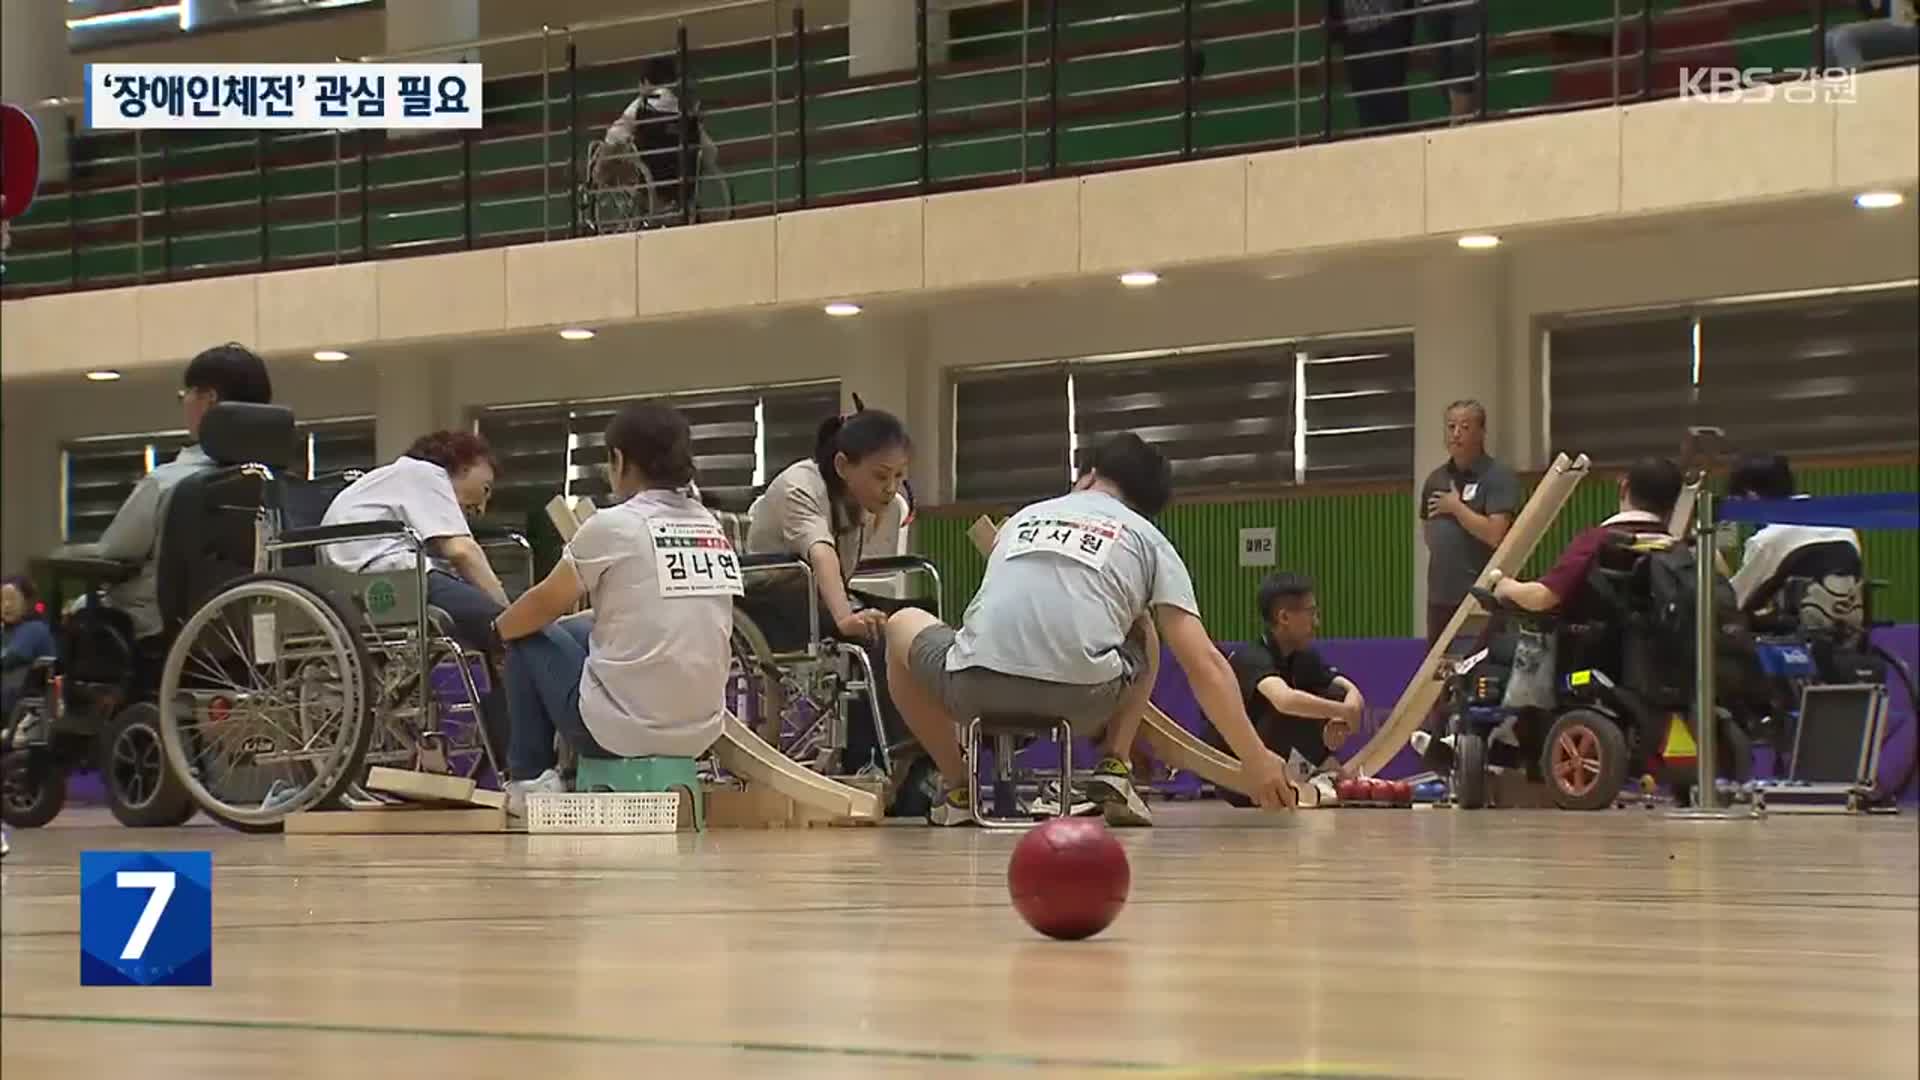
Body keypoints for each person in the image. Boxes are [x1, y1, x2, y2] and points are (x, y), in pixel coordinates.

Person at [885, 432, 1297, 827]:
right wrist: (1257, 758)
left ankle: (958, 790)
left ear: (1090, 474)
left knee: (901, 623)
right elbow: (1204, 663)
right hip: (1083, 701)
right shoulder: (1148, 539)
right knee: (1144, 627)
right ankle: (1115, 765)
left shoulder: (1024, 518)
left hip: (973, 690)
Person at [489, 404, 737, 810]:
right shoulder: (709, 524)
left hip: (619, 734)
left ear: (619, 460)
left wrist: (493, 632)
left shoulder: (614, 524)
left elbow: (541, 605)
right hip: (702, 730)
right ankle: (563, 772)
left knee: (525, 635)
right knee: (574, 631)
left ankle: (529, 777)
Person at [53, 343, 273, 642]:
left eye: (187, 394)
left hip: (160, 624)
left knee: (79, 611)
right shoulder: (276, 483)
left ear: (208, 400)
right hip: (252, 626)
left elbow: (114, 553)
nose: (184, 402)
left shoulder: (170, 482)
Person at [743, 405, 914, 777]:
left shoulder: (874, 500)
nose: (891, 488)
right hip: (772, 599)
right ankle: (874, 765)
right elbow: (821, 554)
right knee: (874, 636)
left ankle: (921, 759)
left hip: (820, 594)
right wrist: (846, 617)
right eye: (881, 476)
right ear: (842, 466)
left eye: (900, 476)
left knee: (911, 624)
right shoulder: (800, 486)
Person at [319, 430, 511, 759]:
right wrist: (509, 611)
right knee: (509, 628)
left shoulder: (396, 480)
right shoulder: (424, 473)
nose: (482, 504)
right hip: (389, 578)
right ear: (465, 464)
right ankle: (520, 761)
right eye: (485, 487)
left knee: (497, 636)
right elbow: (463, 552)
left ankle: (507, 758)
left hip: (380, 576)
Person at [1216, 572, 1365, 805]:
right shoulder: (1252, 656)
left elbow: (1345, 687)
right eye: (1311, 613)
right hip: (1239, 771)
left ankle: (1325, 774)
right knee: (1294, 705)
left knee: (1326, 694)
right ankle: (1320, 775)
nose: (1317, 622)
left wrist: (1351, 707)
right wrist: (1341, 711)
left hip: (1281, 764)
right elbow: (1284, 700)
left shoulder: (1303, 657)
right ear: (1284, 617)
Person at [1487, 457, 1683, 617]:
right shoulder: (1680, 553)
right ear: (1674, 503)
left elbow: (1542, 598)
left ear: (1624, 488)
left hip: (1589, 661)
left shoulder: (1597, 541)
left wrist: (1506, 586)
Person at [1725, 453, 1865, 630]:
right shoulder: (1842, 527)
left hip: (1794, 642)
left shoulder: (1768, 540)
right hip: (1849, 636)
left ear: (1751, 497)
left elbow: (1734, 601)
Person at [1420, 399, 1517, 642]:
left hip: (1480, 596)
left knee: (1478, 669)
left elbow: (1496, 536)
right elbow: (1428, 533)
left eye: (1464, 427)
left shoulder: (1497, 476)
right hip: (1440, 597)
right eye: (1451, 426)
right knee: (1439, 673)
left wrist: (1456, 508)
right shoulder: (1436, 479)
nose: (1456, 434)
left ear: (1482, 432)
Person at [1329, 0, 1413, 130]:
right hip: (1353, 34)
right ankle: (1374, 139)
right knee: (1366, 102)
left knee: (1389, 101)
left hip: (1384, 29)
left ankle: (1396, 140)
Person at [2, 576, 56, 720]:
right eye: (2, 600)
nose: (6, 605)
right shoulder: (8, 630)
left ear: (27, 603)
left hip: (21, 702)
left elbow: (9, 659)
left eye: (12, 599)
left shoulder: (34, 629)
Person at [1826, 0, 1918, 71]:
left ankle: (1862, 90)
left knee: (1845, 38)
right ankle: (1841, 92)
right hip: (1899, 23)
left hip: (1912, 22)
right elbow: (1874, 11)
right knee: (1829, 38)